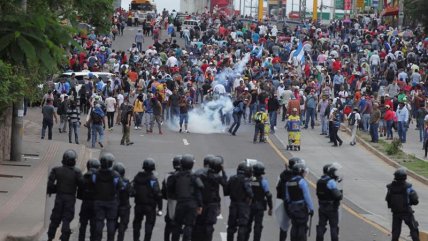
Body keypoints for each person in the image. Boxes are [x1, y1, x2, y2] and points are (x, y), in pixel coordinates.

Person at [46, 150, 83, 241]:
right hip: (70, 198)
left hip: (59, 197)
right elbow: (82, 185)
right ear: (73, 160)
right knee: (66, 219)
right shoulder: (77, 172)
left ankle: (50, 237)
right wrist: (80, 195)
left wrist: (54, 189)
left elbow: (50, 184)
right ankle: (64, 238)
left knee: (55, 218)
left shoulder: (56, 170)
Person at [167, 154, 204, 241]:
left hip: (180, 203)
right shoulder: (194, 177)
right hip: (192, 204)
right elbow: (200, 189)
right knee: (189, 226)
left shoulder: (176, 176)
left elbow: (170, 189)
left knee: (177, 225)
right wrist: (200, 205)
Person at [192, 155, 227, 241]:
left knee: (197, 225)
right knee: (208, 227)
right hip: (212, 205)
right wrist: (223, 171)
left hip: (199, 203)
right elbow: (225, 184)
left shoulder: (198, 173)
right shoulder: (216, 176)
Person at [92, 153, 122, 241]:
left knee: (99, 222)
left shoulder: (96, 174)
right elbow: (120, 186)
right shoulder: (115, 174)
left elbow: (92, 183)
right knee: (111, 222)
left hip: (99, 201)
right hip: (111, 201)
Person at [132, 158, 163, 241]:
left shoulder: (137, 177)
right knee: (149, 224)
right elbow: (158, 194)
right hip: (150, 206)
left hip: (138, 205)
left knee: (137, 224)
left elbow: (132, 190)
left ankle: (136, 239)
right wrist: (160, 208)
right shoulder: (152, 179)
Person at [385, 168, 420, 241]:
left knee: (396, 231)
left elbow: (388, 199)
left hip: (395, 212)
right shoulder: (408, 187)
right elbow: (415, 201)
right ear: (405, 177)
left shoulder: (390, 187)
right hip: (407, 212)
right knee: (413, 228)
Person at [276, 157, 305, 241]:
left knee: (283, 226)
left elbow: (278, 189)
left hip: (283, 202)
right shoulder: (296, 178)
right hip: (295, 203)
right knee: (297, 225)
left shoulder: (283, 176)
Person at [285, 162, 314, 241]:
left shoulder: (288, 182)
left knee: (294, 226)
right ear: (300, 171)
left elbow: (288, 198)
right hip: (301, 208)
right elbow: (307, 196)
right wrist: (311, 208)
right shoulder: (302, 182)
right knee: (302, 226)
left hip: (292, 208)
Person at [225, 162, 253, 241]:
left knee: (231, 226)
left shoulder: (232, 178)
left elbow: (226, 191)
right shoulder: (246, 180)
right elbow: (250, 193)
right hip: (243, 206)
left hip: (233, 204)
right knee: (242, 226)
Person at [245, 162, 273, 241]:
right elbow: (268, 195)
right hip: (259, 206)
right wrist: (270, 207)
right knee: (258, 226)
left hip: (249, 205)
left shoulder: (250, 179)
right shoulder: (263, 181)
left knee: (247, 225)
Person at [315, 164, 343, 241]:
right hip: (331, 208)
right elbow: (338, 196)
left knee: (321, 226)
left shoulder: (319, 181)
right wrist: (339, 186)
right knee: (333, 227)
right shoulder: (331, 182)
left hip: (321, 206)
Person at [77, 159, 100, 241]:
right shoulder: (100, 179)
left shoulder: (83, 178)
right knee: (94, 226)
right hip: (95, 205)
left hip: (85, 204)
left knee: (83, 225)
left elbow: (79, 195)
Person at [162, 155, 182, 241]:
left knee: (168, 224)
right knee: (179, 225)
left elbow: (163, 192)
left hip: (170, 203)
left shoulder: (168, 176)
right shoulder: (185, 176)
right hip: (182, 203)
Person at [113, 163, 131, 241]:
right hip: (124, 206)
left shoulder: (111, 180)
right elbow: (132, 192)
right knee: (123, 225)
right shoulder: (126, 181)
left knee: (112, 224)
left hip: (114, 206)